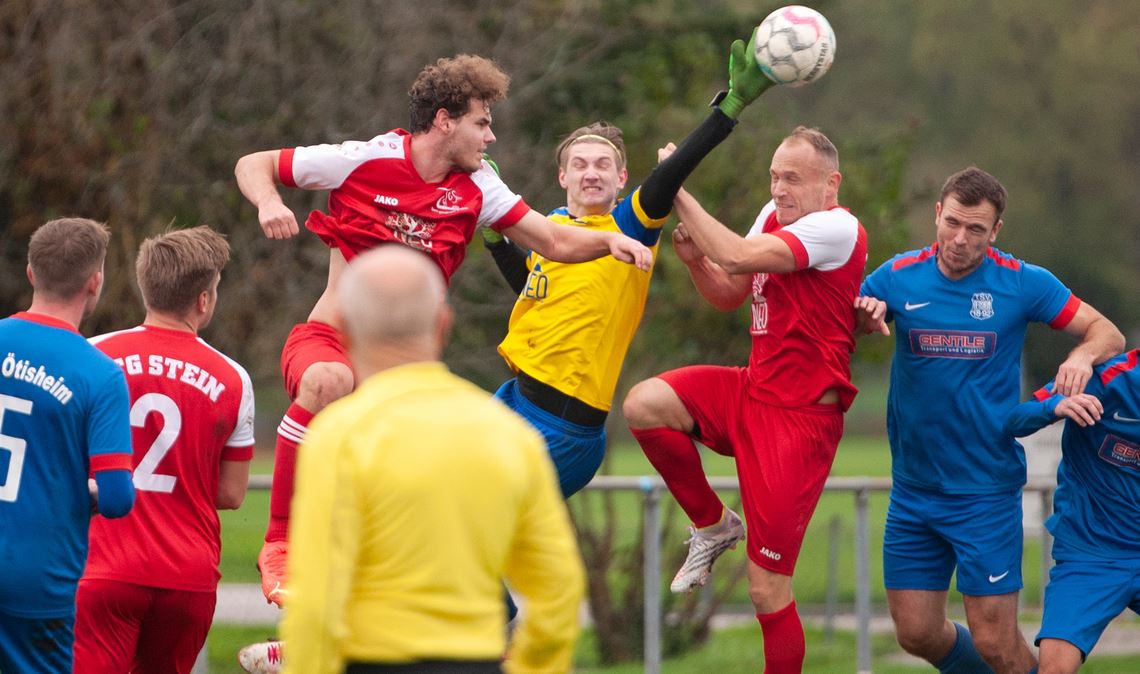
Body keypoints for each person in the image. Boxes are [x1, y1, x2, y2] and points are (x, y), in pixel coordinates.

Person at [234, 53, 651, 606]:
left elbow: (551, 242)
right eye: (482, 122)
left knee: (418, 503)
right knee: (328, 381)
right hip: (331, 343)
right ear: (444, 120)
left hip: (404, 381)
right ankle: (281, 542)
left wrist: (608, 240)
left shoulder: (480, 188)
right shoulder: (362, 159)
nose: (492, 137)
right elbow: (254, 162)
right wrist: (267, 202)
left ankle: (352, 631)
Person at [855, 166, 1125, 673]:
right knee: (915, 632)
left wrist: (1082, 357)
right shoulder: (896, 276)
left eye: (975, 229)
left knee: (997, 643)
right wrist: (862, 320)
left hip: (984, 491)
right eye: (952, 223)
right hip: (913, 489)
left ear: (995, 230)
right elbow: (846, 325)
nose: (960, 239)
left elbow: (1107, 333)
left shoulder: (1022, 283)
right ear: (937, 214)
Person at [622, 121, 868, 672]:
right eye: (775, 176)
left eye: (794, 179)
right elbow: (731, 289)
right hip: (751, 390)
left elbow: (733, 255)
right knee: (644, 405)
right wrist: (693, 262)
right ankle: (713, 525)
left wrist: (676, 184)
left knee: (766, 592)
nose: (779, 189)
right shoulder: (771, 214)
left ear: (832, 184)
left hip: (799, 422)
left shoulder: (836, 228)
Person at [484, 32, 773, 498]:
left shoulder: (628, 225)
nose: (591, 172)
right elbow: (535, 290)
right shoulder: (552, 228)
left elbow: (669, 176)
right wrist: (497, 240)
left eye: (604, 164)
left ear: (621, 178)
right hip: (517, 400)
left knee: (472, 521)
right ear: (563, 176)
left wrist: (729, 108)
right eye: (579, 164)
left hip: (563, 428)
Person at [272, 245, 584, 674]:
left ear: (342, 329)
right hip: (476, 660)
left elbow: (317, 598)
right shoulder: (507, 434)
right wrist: (530, 664)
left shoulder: (339, 436)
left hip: (372, 660)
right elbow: (558, 587)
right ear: (444, 325)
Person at [72, 226, 255, 673]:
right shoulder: (234, 378)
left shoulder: (92, 355)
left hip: (103, 566)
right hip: (186, 576)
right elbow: (231, 494)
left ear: (145, 288)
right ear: (204, 301)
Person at [0, 217, 135, 673]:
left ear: (31, 273)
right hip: (37, 577)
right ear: (94, 283)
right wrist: (84, 494)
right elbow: (117, 498)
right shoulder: (99, 374)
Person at [1005, 349, 1140, 672]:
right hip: (1091, 554)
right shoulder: (1106, 379)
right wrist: (1055, 407)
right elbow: (1014, 419)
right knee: (1055, 666)